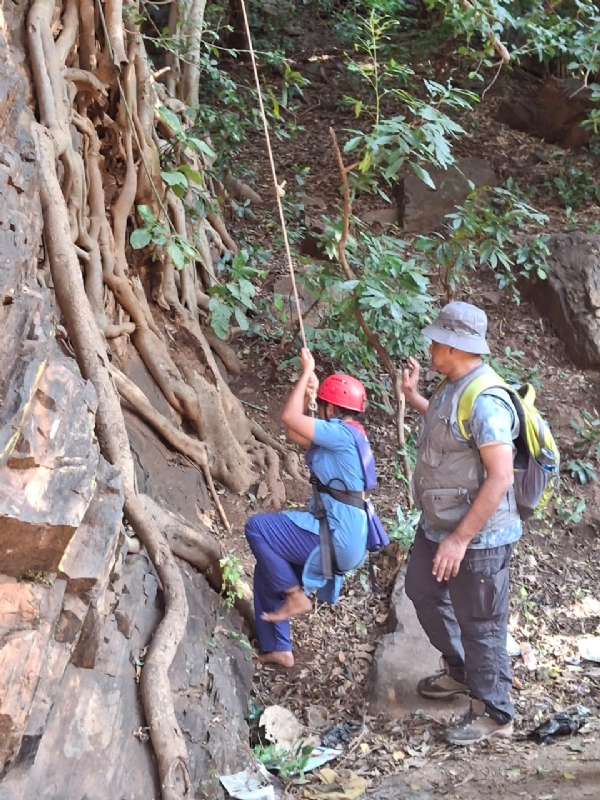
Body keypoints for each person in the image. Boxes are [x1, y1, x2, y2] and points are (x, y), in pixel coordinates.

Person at [401, 300, 521, 746]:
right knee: (423, 589)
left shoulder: (487, 400)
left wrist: (460, 540)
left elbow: (501, 477)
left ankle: (495, 713)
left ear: (454, 346)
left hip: (478, 538)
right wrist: (414, 397)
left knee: (481, 623)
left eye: (437, 341)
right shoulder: (453, 385)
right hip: (439, 526)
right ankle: (462, 672)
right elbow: (451, 431)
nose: (431, 347)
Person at [245, 347, 382, 669]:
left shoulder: (340, 435)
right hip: (346, 536)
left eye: (322, 405)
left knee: (258, 528)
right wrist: (309, 395)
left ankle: (296, 596)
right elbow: (295, 432)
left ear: (330, 408)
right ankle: (278, 648)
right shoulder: (349, 434)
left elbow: (288, 418)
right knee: (268, 569)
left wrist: (307, 371)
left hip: (337, 535)